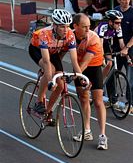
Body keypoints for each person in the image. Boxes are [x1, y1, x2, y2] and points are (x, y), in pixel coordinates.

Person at [29, 9, 82, 123]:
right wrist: (50, 80)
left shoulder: (70, 34)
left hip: (54, 51)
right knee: (50, 70)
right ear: (54, 25)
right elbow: (47, 61)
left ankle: (47, 112)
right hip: (37, 50)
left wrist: (81, 76)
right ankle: (39, 102)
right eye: (62, 27)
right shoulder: (45, 34)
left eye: (67, 26)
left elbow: (74, 59)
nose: (65, 30)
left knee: (61, 86)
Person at [72, 13, 108, 150]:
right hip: (79, 67)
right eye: (84, 27)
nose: (88, 29)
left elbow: (86, 62)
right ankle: (87, 131)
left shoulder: (93, 38)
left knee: (98, 101)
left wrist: (75, 75)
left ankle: (103, 136)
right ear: (75, 26)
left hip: (93, 67)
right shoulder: (70, 35)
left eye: (89, 26)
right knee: (83, 98)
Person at [114, 0, 133, 113]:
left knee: (130, 78)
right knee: (112, 75)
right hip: (116, 48)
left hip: (130, 50)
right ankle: (112, 99)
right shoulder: (115, 11)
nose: (126, 1)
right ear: (119, 0)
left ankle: (129, 104)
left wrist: (126, 48)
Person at [94, 9, 125, 79]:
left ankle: (100, 81)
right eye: (117, 22)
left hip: (105, 42)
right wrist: (101, 58)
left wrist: (127, 56)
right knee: (97, 63)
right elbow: (100, 44)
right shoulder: (103, 26)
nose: (119, 25)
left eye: (120, 22)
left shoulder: (118, 28)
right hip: (95, 43)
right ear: (110, 22)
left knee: (110, 63)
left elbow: (121, 43)